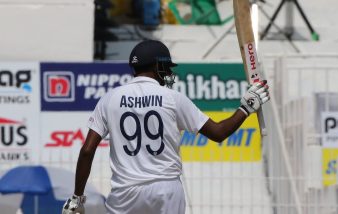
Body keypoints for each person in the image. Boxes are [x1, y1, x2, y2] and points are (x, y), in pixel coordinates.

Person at [62, 40, 270, 214]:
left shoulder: (110, 99)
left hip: (125, 192)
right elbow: (219, 133)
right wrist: (246, 108)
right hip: (167, 190)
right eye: (166, 67)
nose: (168, 72)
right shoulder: (172, 98)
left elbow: (87, 150)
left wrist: (77, 198)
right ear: (155, 66)